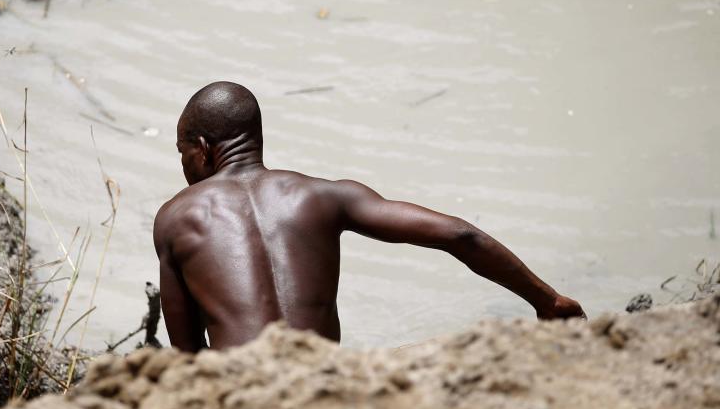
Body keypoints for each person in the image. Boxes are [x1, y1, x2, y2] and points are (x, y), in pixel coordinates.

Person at [153, 81, 586, 352]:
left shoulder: (176, 216)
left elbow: (188, 351)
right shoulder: (324, 195)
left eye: (182, 152)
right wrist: (548, 301)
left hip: (244, 397)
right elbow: (459, 235)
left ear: (204, 149)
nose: (184, 164)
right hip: (327, 385)